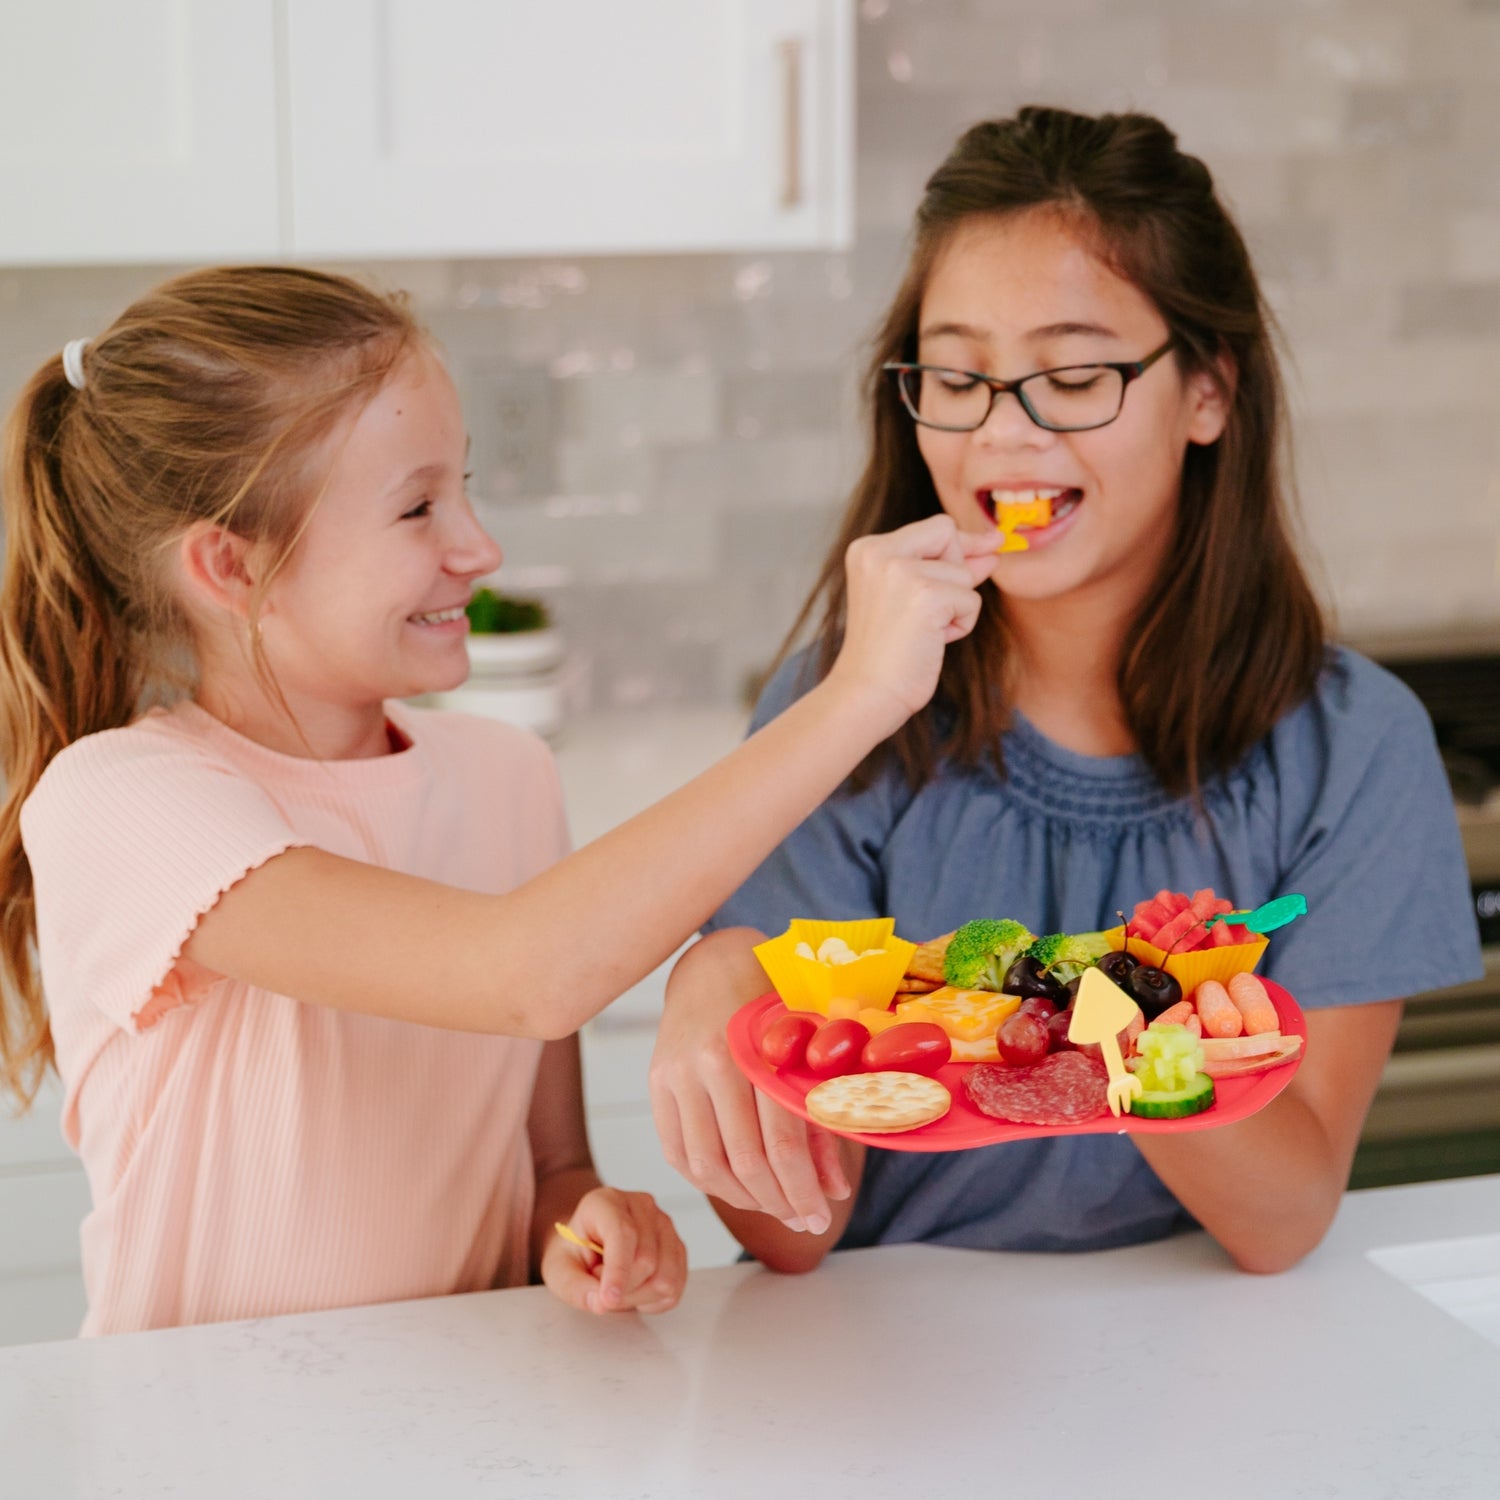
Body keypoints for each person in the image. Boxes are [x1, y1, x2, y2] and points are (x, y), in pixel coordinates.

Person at [0, 266, 996, 1335]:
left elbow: (551, 1171)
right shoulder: (122, 804)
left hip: (463, 1417)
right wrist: (859, 696)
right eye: (418, 507)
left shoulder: (504, 778)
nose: (479, 548)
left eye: (463, 489)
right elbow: (524, 975)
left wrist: (585, 1226)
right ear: (231, 566)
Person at [647, 106, 1484, 1276]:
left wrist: (1111, 997)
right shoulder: (840, 711)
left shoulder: (1357, 749)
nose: (1005, 433)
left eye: (1076, 375)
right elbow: (796, 1235)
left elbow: (1284, 1218)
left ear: (1208, 394)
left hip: (1202, 1368)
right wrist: (724, 991)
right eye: (959, 376)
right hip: (891, 1370)